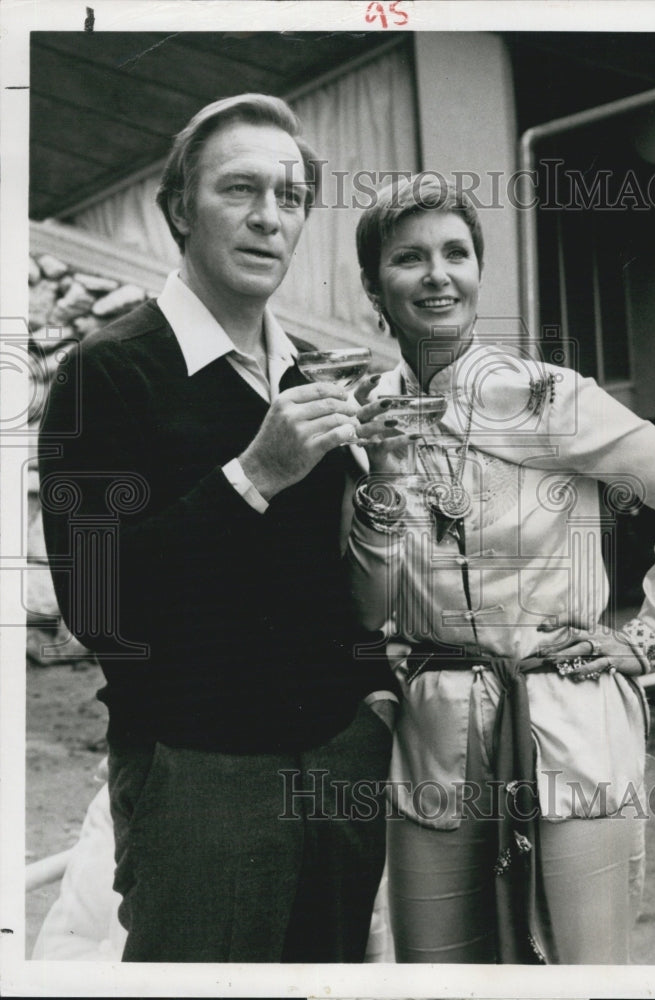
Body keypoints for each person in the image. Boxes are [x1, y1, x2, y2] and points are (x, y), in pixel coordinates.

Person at [39, 94, 397, 963]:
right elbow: (98, 608)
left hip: (339, 766)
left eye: (291, 196)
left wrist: (371, 707)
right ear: (177, 210)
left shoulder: (310, 377)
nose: (269, 218)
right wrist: (255, 476)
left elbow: (332, 592)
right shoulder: (105, 374)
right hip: (201, 776)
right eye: (239, 189)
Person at [346, 175, 655, 964]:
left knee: (577, 964)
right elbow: (363, 607)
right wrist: (381, 476)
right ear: (371, 286)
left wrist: (645, 638)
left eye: (455, 253)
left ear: (477, 273)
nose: (436, 275)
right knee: (437, 968)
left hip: (568, 715)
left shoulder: (549, 397)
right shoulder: (363, 414)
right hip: (436, 728)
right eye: (408, 258)